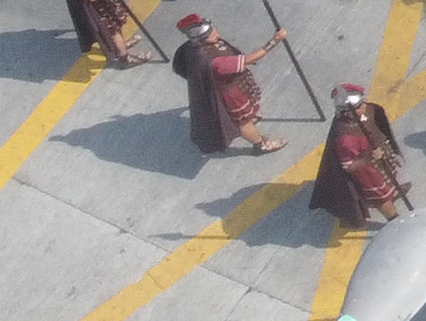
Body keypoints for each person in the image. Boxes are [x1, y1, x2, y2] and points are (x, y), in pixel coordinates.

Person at [174, 13, 284, 154]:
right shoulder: (213, 61)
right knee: (243, 122)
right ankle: (260, 144)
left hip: (237, 86)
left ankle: (251, 124)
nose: (214, 32)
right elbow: (247, 60)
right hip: (232, 94)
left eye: (211, 29)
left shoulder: (198, 46)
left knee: (246, 116)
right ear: (201, 40)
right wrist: (274, 41)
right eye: (209, 34)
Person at [311, 82, 413, 228]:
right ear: (347, 112)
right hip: (368, 174)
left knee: (389, 182)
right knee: (380, 196)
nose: (364, 107)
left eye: (362, 103)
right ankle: (394, 220)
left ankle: (393, 192)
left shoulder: (366, 113)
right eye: (359, 106)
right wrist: (370, 156)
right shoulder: (346, 138)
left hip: (381, 161)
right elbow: (349, 166)